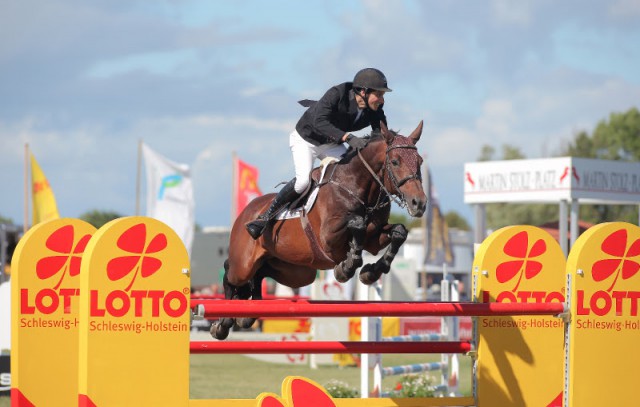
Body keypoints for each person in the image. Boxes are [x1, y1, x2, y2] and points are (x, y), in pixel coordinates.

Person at [245, 68, 392, 240]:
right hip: (306, 140)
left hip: (331, 144)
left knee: (350, 176)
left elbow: (380, 133)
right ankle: (266, 217)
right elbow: (319, 122)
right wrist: (347, 137)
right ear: (363, 91)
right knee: (302, 182)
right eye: (379, 94)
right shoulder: (338, 93)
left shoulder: (375, 107)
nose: (382, 100)